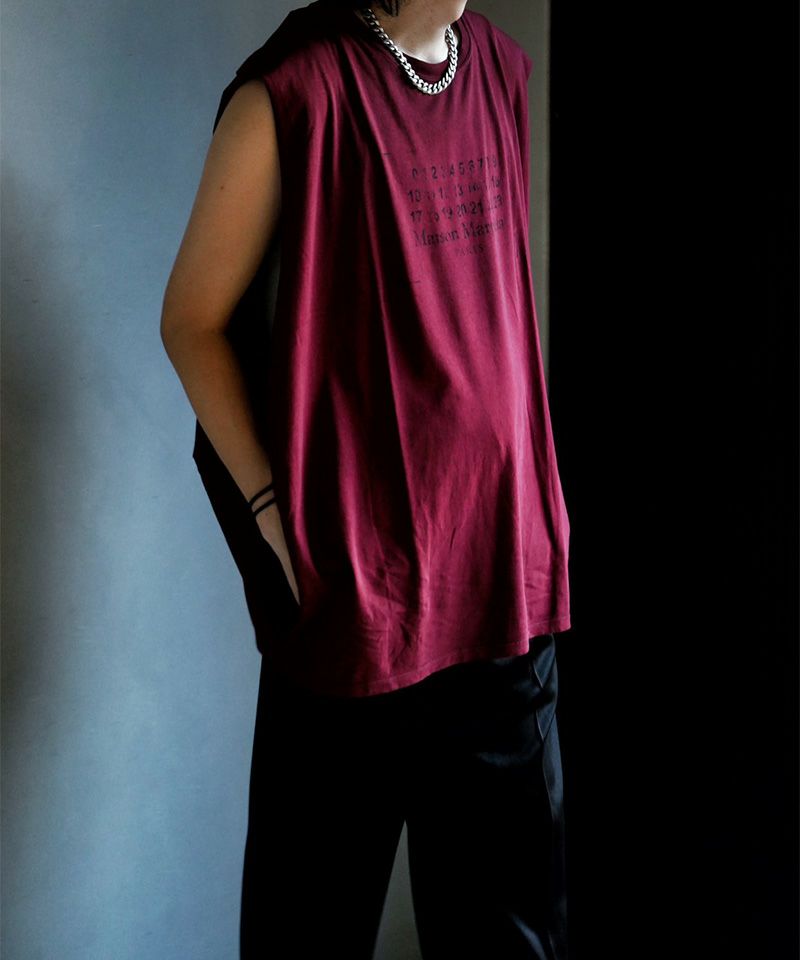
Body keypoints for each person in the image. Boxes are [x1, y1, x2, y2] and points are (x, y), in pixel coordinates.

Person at [160, 0, 572, 957]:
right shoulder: (294, 93)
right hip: (359, 601)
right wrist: (273, 515)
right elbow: (192, 320)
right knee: (307, 930)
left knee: (515, 940)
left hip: (502, 590)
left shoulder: (498, 68)